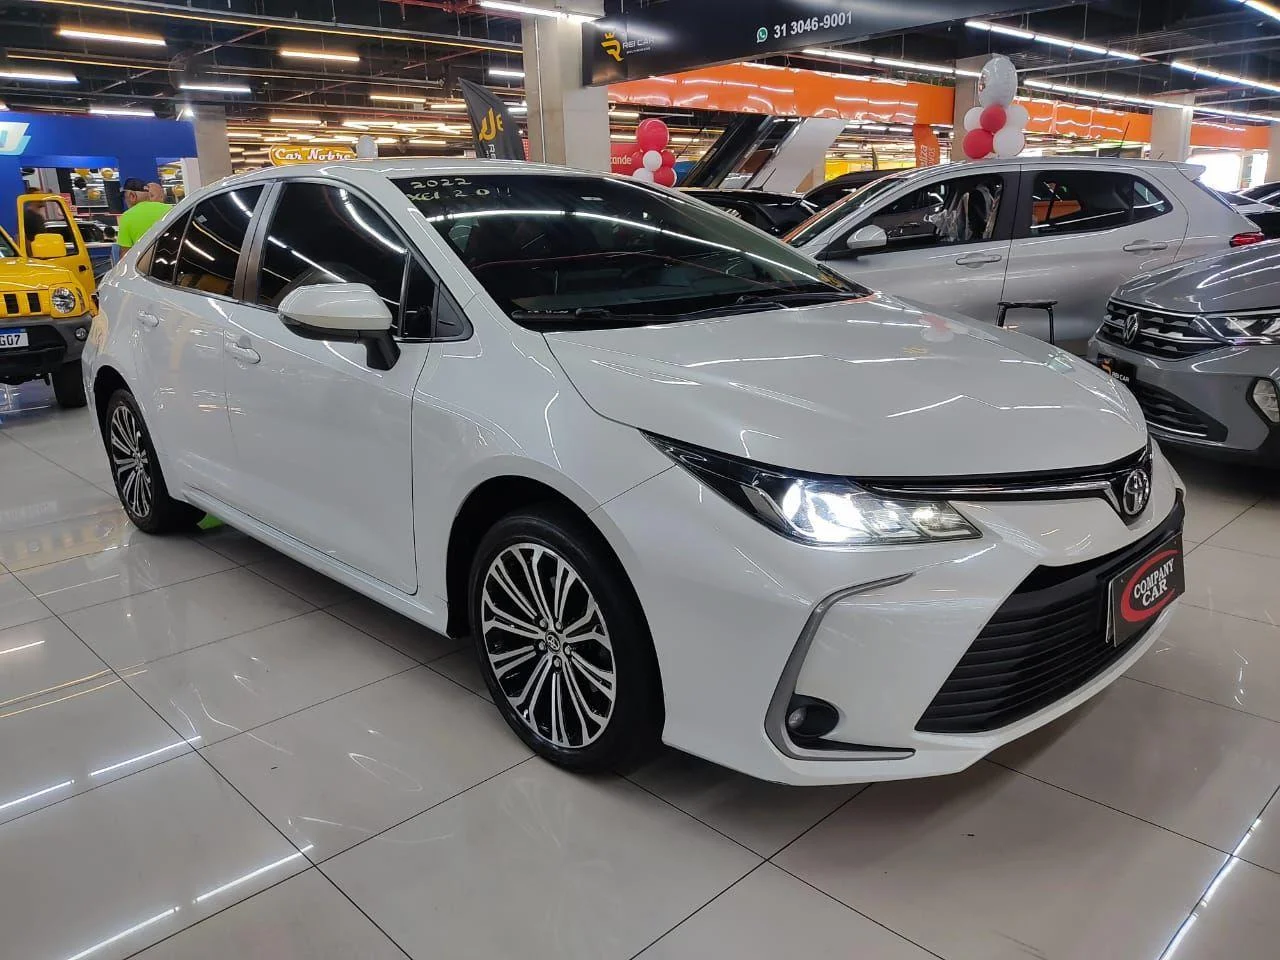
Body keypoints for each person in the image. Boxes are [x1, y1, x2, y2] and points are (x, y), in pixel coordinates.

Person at [116, 177, 171, 252]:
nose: (125, 201)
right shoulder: (171, 209)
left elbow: (125, 253)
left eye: (125, 198)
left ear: (132, 196)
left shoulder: (126, 217)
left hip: (146, 259)